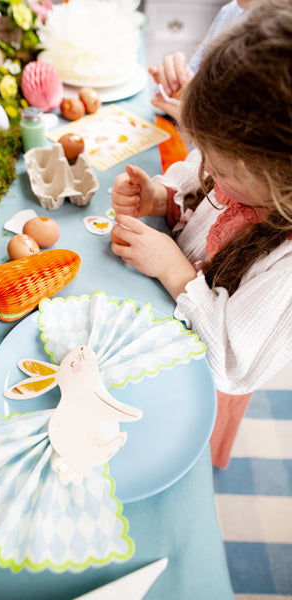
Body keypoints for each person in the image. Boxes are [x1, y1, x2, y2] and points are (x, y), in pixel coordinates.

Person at [110, 0, 292, 469]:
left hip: (204, 383)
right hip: (169, 335)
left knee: (174, 454)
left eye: (221, 164)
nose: (205, 166)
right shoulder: (247, 178)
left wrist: (174, 270)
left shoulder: (285, 263)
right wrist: (163, 198)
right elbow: (201, 181)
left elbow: (232, 360)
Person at [149, 0, 255, 121]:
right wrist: (177, 85)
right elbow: (193, 77)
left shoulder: (275, 43)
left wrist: (195, 118)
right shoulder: (231, 12)